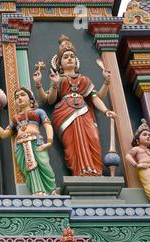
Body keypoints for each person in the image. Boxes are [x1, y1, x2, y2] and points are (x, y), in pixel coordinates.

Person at [33, 35, 116, 176]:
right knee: (72, 145)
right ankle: (79, 172)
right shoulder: (60, 79)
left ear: (76, 61)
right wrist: (42, 84)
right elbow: (49, 100)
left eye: (72, 56)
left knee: (93, 138)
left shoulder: (84, 79)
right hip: (65, 114)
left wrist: (106, 108)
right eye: (66, 57)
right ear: (59, 63)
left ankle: (94, 170)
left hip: (84, 113)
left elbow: (96, 98)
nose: (70, 58)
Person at [0, 87, 56, 195]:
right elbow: (4, 134)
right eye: (16, 97)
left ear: (31, 99)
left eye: (22, 95)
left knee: (44, 165)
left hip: (36, 142)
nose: (19, 98)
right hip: (21, 145)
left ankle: (52, 190)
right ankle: (37, 191)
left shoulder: (39, 112)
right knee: (29, 168)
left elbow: (47, 125)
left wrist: (49, 141)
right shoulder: (15, 118)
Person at [126, 119, 150, 200]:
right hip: (144, 169)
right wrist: (136, 165)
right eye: (145, 134)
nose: (148, 137)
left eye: (149, 135)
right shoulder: (137, 149)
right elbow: (128, 156)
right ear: (137, 140)